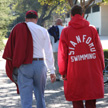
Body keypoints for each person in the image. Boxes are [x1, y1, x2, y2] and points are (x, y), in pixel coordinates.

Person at [2, 10, 56, 108]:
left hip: (25, 66)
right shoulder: (43, 30)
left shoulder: (18, 28)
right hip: (40, 65)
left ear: (26, 19)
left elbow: (11, 48)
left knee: (26, 100)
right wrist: (52, 70)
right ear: (36, 19)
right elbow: (48, 52)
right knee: (40, 97)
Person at [58, 5, 105, 108]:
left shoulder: (66, 32)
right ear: (83, 15)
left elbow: (63, 54)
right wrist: (101, 67)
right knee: (91, 100)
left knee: (77, 100)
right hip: (91, 70)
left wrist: (63, 71)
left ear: (71, 15)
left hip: (74, 72)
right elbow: (99, 50)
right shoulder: (92, 30)